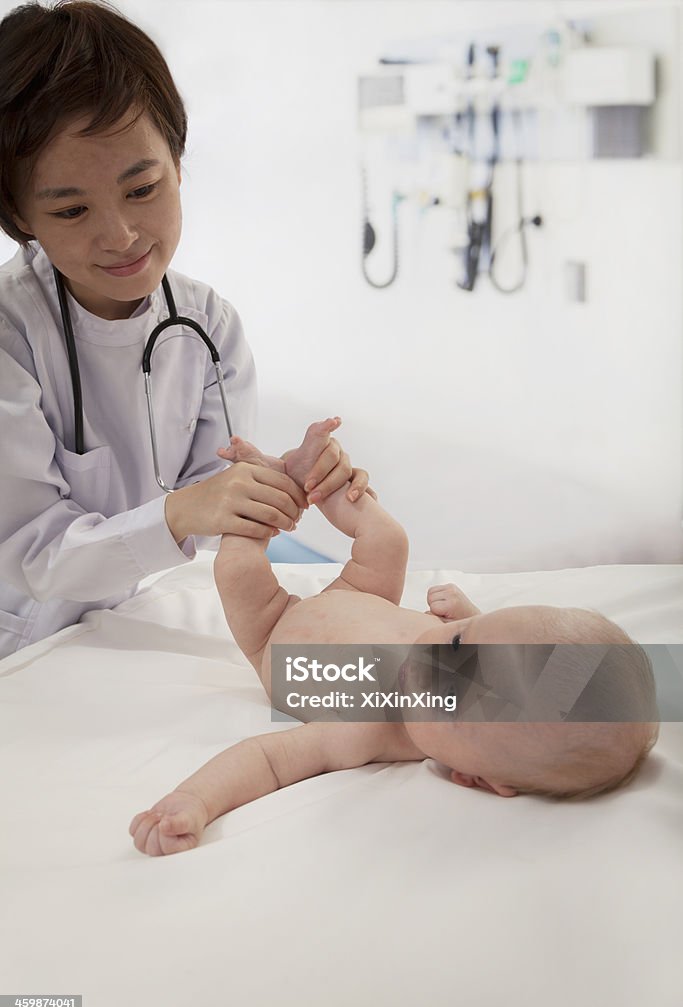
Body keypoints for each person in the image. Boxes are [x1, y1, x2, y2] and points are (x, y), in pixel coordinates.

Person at [0, 1, 369, 658]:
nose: (119, 235)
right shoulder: (12, 335)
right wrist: (182, 513)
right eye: (72, 209)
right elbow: (32, 552)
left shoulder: (207, 326)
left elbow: (210, 496)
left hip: (130, 620)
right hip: (19, 644)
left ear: (176, 160)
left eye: (142, 189)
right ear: (21, 215)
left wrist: (280, 481)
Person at [129, 417, 660, 857]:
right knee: (389, 540)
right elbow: (496, 650)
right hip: (368, 597)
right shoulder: (475, 654)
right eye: (458, 644)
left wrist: (194, 801)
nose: (428, 657)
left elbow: (265, 760)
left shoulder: (366, 728)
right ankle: (312, 478)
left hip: (275, 629)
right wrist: (468, 619)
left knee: (237, 571)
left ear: (474, 776)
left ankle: (261, 495)